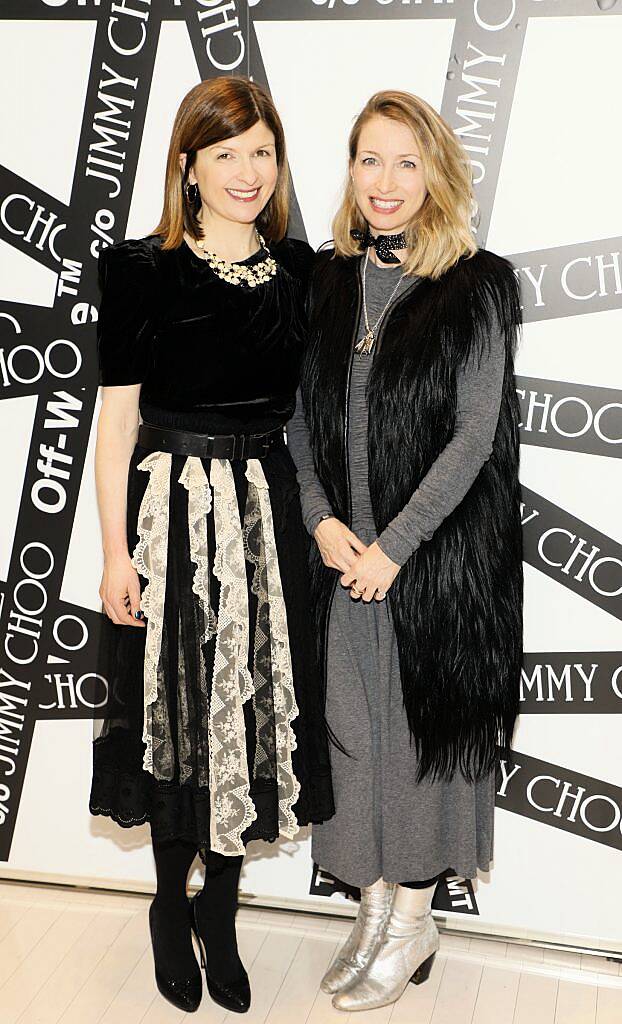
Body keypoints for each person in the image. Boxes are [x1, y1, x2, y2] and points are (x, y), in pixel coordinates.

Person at [88, 76, 334, 1015]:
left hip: (268, 517)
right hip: (170, 516)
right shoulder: (143, 270)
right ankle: (166, 903)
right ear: (187, 165)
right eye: (225, 153)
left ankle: (220, 910)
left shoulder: (304, 273)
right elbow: (115, 425)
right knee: (177, 712)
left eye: (262, 152)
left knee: (250, 707)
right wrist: (115, 555)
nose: (246, 171)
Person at [288, 89, 523, 1012]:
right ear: (350, 171)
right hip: (341, 558)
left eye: (405, 162)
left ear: (436, 173)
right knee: (354, 740)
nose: (384, 183)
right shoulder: (327, 280)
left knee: (422, 742)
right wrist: (319, 519)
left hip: (436, 567)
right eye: (368, 160)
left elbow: (475, 437)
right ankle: (377, 907)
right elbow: (299, 421)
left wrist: (396, 547)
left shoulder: (477, 282)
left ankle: (417, 917)